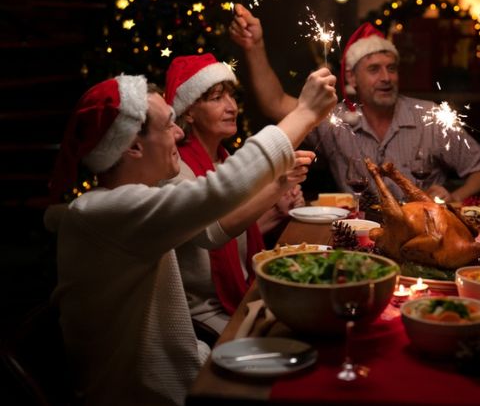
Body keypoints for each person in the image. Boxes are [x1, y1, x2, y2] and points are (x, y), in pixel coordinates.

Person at [44, 69, 337, 406]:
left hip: (190, 367)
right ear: (134, 147)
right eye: (169, 124)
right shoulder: (107, 211)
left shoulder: (139, 195)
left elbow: (211, 230)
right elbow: (219, 190)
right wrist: (304, 113)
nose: (180, 132)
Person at [229, 4, 480, 202]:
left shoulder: (430, 117)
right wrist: (255, 46)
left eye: (391, 68)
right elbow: (274, 104)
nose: (386, 78)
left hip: (425, 232)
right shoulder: (335, 121)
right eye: (374, 70)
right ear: (351, 78)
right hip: (360, 237)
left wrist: (452, 196)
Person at [164, 54, 308, 334]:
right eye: (216, 98)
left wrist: (278, 210)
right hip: (203, 312)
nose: (231, 107)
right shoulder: (178, 170)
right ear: (188, 111)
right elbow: (212, 234)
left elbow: (235, 233)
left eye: (230, 96)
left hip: (240, 293)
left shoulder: (222, 157)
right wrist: (276, 187)